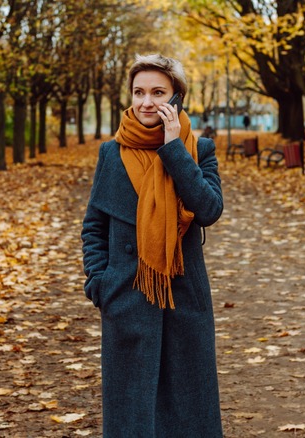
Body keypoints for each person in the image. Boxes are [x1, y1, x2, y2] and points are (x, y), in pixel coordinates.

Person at [81, 54, 224, 437]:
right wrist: (100, 284)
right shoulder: (112, 153)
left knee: (188, 412)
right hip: (127, 296)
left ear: (177, 99)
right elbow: (94, 226)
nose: (146, 102)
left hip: (184, 299)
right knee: (132, 414)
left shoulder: (199, 149)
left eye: (158, 92)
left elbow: (209, 209)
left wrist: (173, 148)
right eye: (138, 92)